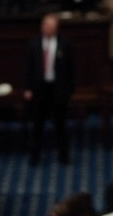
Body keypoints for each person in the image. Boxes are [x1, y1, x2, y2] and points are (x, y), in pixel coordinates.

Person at [23, 14, 75, 165]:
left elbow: (71, 70)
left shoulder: (65, 44)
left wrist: (69, 91)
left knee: (60, 125)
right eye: (46, 26)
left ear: (56, 28)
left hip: (58, 89)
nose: (48, 29)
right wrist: (27, 88)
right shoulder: (34, 44)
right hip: (39, 89)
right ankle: (35, 156)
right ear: (42, 26)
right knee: (38, 125)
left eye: (52, 26)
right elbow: (28, 68)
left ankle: (64, 156)